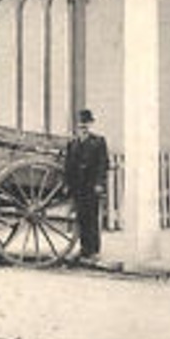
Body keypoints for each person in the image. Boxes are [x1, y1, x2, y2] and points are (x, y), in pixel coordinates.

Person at [62, 108, 110, 262]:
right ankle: (84, 249)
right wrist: (67, 184)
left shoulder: (98, 142)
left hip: (91, 185)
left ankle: (94, 251)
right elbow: (68, 165)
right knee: (81, 218)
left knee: (92, 218)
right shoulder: (73, 143)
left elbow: (103, 164)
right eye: (81, 125)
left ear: (91, 125)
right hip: (78, 186)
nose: (83, 127)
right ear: (77, 127)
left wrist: (99, 183)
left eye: (86, 124)